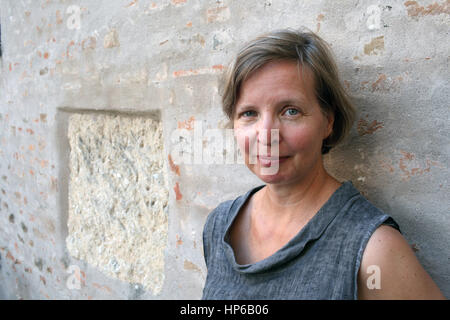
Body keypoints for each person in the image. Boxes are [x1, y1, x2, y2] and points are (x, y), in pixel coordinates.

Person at [201, 29, 445, 300]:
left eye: (290, 111)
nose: (267, 135)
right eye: (249, 113)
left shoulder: (372, 250)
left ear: (328, 121)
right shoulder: (219, 226)